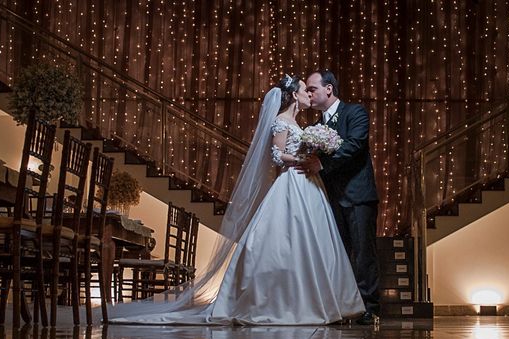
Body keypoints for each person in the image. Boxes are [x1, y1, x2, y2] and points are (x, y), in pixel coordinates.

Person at [110, 76, 363, 325]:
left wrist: (312, 150)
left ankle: (314, 300)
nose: (309, 94)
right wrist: (300, 160)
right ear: (294, 96)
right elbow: (276, 155)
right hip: (292, 183)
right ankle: (281, 302)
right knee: (283, 242)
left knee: (311, 241)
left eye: (311, 91)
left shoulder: (301, 124)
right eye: (304, 91)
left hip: (307, 185)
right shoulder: (281, 121)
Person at [304, 70, 381, 325]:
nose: (309, 94)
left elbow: (355, 145)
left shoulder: (355, 112)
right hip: (331, 198)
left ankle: (369, 307)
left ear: (328, 89)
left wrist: (322, 165)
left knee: (362, 253)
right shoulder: (316, 126)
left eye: (312, 88)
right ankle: (343, 305)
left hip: (358, 196)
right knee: (338, 254)